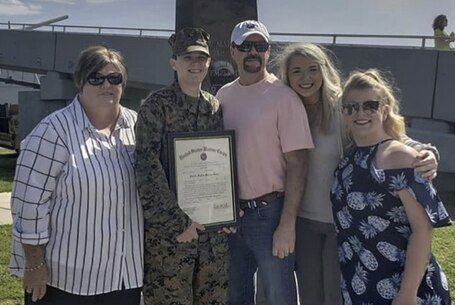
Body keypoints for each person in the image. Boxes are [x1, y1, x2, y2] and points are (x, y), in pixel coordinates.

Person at [277, 42, 442, 305]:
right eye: (296, 71)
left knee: (335, 296)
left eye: (312, 69)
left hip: (340, 225)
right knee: (309, 296)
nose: (305, 77)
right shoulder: (284, 110)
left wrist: (425, 151)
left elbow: (385, 134)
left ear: (325, 70)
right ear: (287, 76)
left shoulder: (343, 108)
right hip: (302, 221)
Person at [9, 45, 143, 305]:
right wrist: (35, 266)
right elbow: (28, 204)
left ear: (123, 84)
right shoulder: (53, 132)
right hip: (67, 282)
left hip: (125, 276)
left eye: (114, 78)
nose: (107, 84)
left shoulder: (139, 127)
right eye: (97, 78)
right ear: (81, 82)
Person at [331, 69, 452, 305]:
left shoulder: (400, 158)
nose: (360, 112)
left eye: (370, 105)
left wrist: (407, 294)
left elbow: (423, 229)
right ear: (344, 114)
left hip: (404, 289)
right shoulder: (349, 160)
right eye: (351, 107)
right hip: (361, 285)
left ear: (385, 109)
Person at [216, 20, 314, 305]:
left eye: (260, 46)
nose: (252, 52)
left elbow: (298, 164)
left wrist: (287, 224)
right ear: (233, 51)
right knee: (236, 296)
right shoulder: (222, 96)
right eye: (245, 46)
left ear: (269, 52)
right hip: (233, 217)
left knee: (278, 296)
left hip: (271, 215)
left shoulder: (284, 97)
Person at [135, 27, 230, 305]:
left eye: (202, 58)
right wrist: (179, 223)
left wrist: (226, 214)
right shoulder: (156, 107)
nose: (195, 64)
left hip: (211, 239)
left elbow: (219, 165)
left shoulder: (214, 107)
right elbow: (146, 168)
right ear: (173, 62)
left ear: (210, 62)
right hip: (171, 239)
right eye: (188, 58)